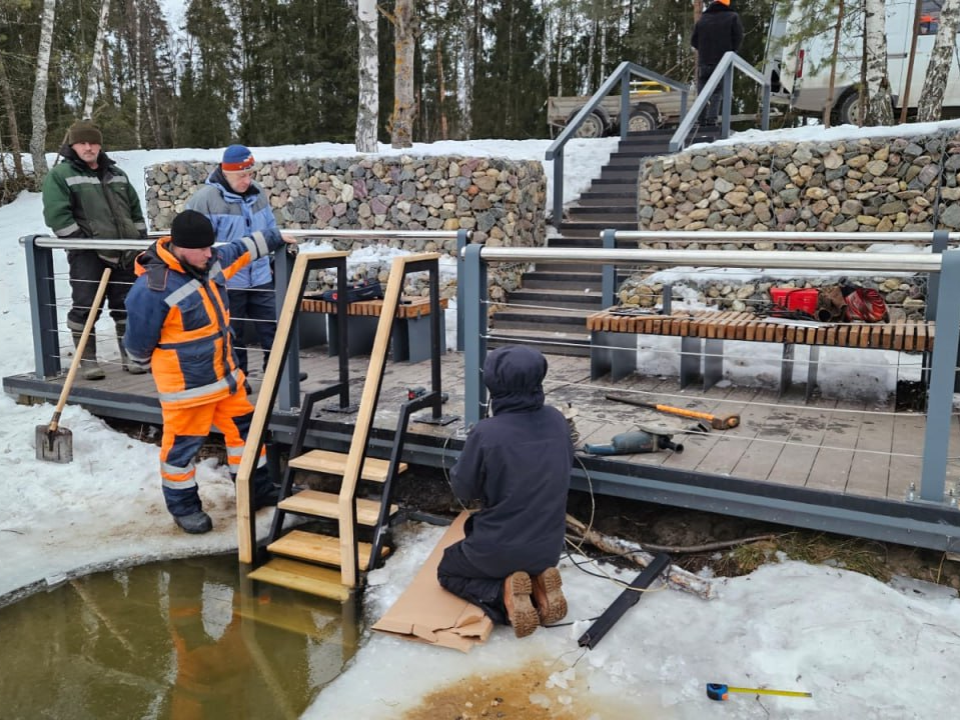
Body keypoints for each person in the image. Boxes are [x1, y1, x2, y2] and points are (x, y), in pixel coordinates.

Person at [122, 209, 297, 534]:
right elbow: (137, 345)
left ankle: (255, 490)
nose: (208, 253)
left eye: (209, 247)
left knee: (247, 438)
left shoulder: (210, 259)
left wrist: (275, 237)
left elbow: (241, 249)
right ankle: (185, 509)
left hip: (227, 381)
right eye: (201, 249)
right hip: (186, 392)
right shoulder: (152, 288)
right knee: (180, 453)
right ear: (178, 246)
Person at [437, 345, 574, 638]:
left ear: (493, 384)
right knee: (519, 551)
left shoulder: (488, 432)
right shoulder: (557, 421)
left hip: (497, 550)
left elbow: (464, 488)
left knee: (448, 570)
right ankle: (539, 587)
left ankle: (504, 593)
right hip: (549, 548)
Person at [41, 119, 149, 380]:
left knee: (126, 305)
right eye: (82, 143)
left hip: (124, 251)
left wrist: (138, 240)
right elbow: (57, 216)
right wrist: (83, 243)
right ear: (73, 145)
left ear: (100, 145)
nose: (89, 147)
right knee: (86, 306)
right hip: (87, 254)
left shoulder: (118, 175)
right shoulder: (61, 175)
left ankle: (130, 354)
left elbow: (134, 211)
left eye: (93, 142)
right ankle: (87, 360)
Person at [185, 144, 284, 379]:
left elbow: (270, 227)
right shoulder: (205, 199)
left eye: (250, 174)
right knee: (233, 332)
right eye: (241, 175)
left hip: (260, 275)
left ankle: (279, 372)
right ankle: (239, 378)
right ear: (225, 172)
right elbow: (195, 241)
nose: (247, 180)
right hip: (228, 279)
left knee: (273, 324)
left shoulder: (258, 193)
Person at [690, 0, 744, 127]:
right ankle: (711, 121)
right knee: (717, 91)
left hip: (704, 62)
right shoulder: (732, 17)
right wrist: (732, 51)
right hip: (721, 61)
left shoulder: (703, 19)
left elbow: (694, 41)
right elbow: (738, 37)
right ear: (727, 4)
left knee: (702, 91)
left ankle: (701, 120)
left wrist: (703, 50)